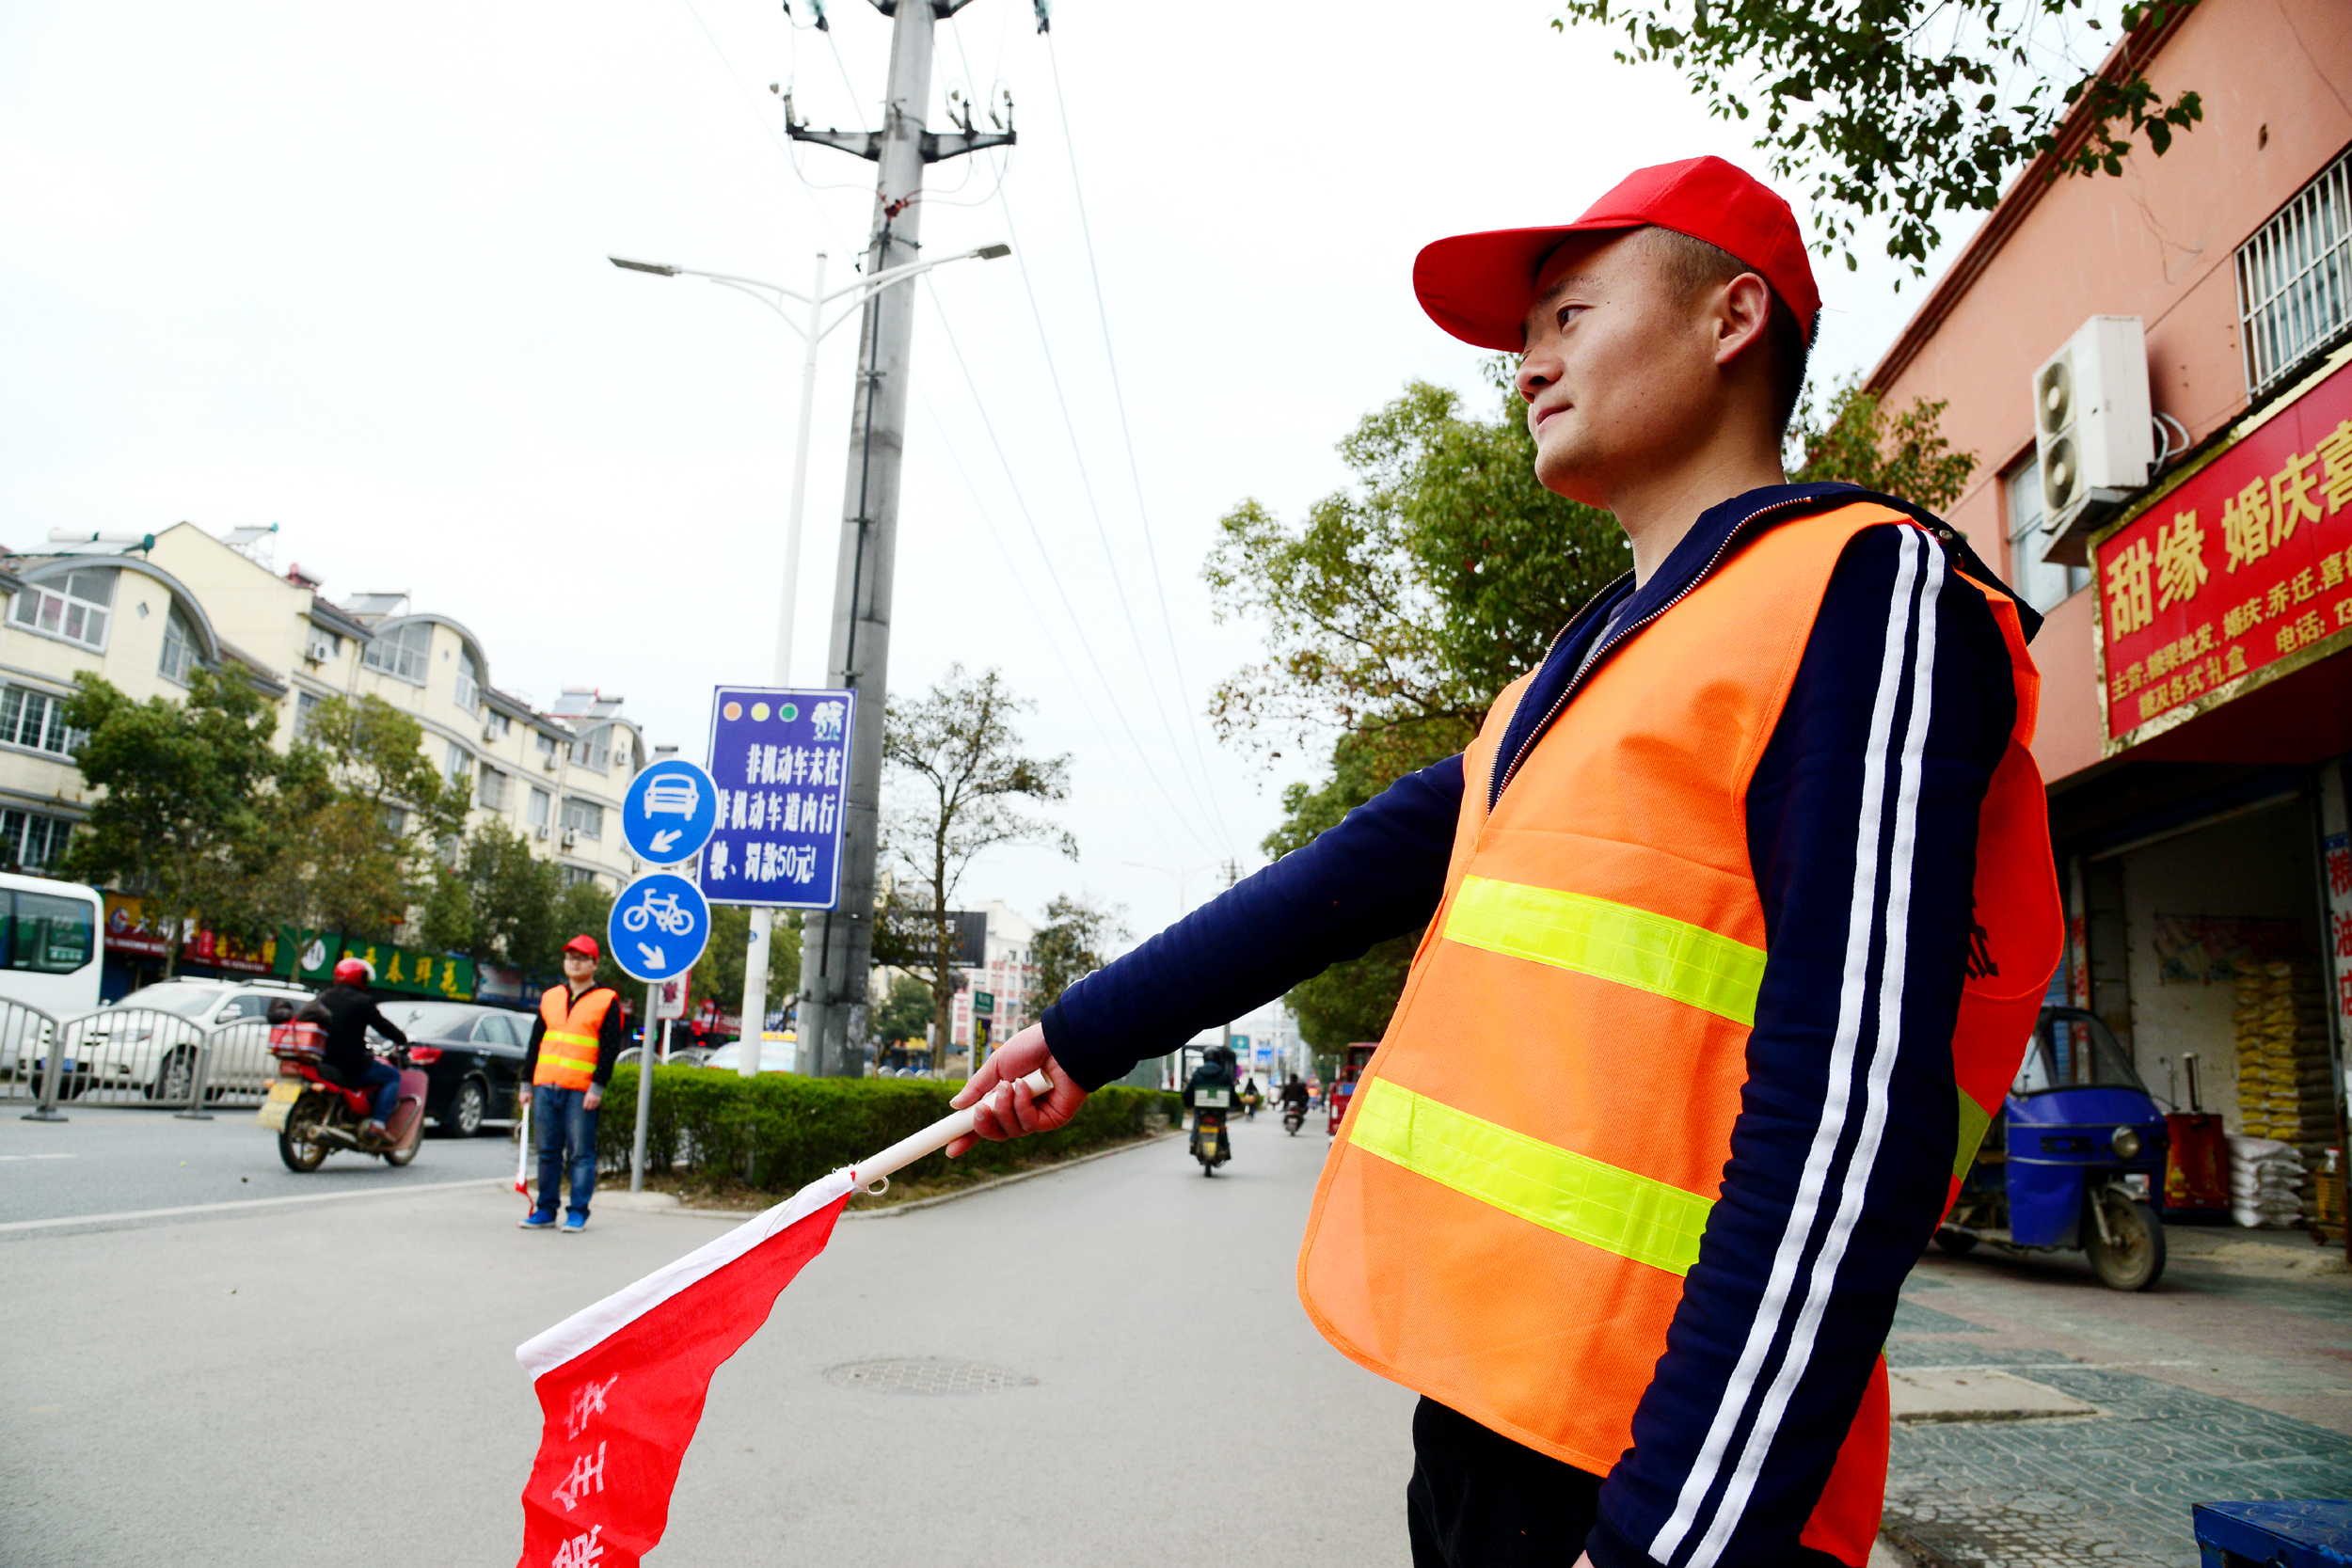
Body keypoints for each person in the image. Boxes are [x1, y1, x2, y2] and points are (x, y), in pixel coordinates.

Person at [947, 155, 2058, 1568]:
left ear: (1730, 318)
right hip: (1494, 1427)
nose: (1528, 363)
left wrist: (1677, 1533)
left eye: (1569, 316)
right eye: (1523, 337)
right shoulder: (1580, 669)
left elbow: (1851, 1108)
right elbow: (1340, 878)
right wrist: (1080, 1034)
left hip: (1674, 1456)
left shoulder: (1868, 589)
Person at [518, 935, 626, 1234]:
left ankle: (577, 1212)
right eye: (570, 957)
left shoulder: (607, 1000)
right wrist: (526, 1083)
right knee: (547, 1152)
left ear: (594, 963)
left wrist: (597, 1087)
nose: (575, 963)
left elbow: (609, 1049)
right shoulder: (551, 997)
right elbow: (535, 1042)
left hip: (581, 1090)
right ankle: (545, 1210)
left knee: (580, 1154)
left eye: (582, 958)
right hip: (545, 1085)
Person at [296, 957, 406, 1143]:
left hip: (323, 1060)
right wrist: (402, 1038)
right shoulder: (363, 1001)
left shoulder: (323, 997)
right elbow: (383, 1026)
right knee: (393, 1076)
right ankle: (378, 1124)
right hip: (351, 1065)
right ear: (360, 978)